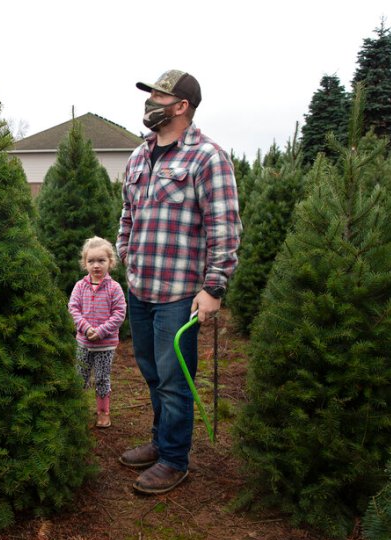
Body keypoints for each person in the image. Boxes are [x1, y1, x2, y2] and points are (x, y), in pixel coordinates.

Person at [116, 69, 241, 495]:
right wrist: (126, 256)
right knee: (152, 373)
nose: (149, 101)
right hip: (140, 289)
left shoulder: (208, 157)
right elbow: (128, 216)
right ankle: (159, 440)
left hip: (179, 295)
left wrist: (214, 288)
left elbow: (225, 226)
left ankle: (173, 459)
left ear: (181, 105)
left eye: (157, 95)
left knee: (174, 378)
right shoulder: (139, 155)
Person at [68, 236, 127, 428]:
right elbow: (73, 308)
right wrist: (85, 327)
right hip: (84, 344)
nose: (96, 265)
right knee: (80, 377)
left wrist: (101, 331)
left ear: (110, 262)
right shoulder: (80, 286)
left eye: (101, 261)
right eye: (91, 261)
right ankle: (77, 410)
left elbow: (119, 314)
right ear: (84, 263)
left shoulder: (114, 288)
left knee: (102, 378)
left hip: (105, 345)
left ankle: (103, 412)